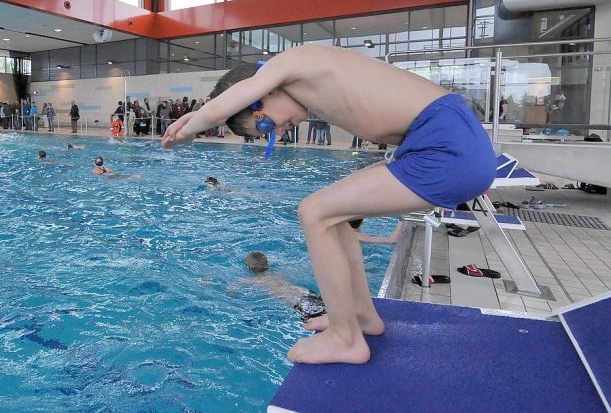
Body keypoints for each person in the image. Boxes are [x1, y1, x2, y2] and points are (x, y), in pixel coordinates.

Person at [161, 45, 495, 364]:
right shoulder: (303, 78)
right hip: (440, 143)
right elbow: (228, 103)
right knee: (334, 217)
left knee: (314, 211)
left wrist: (190, 128)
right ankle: (360, 316)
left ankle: (345, 338)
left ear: (261, 92)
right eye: (268, 134)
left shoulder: (290, 63)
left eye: (265, 124)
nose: (277, 130)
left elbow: (224, 104)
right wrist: (200, 113)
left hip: (446, 146)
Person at [242, 251, 327, 323]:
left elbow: (232, 289)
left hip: (299, 304)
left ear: (248, 267)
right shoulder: (277, 273)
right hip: (307, 293)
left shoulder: (253, 280)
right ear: (267, 264)